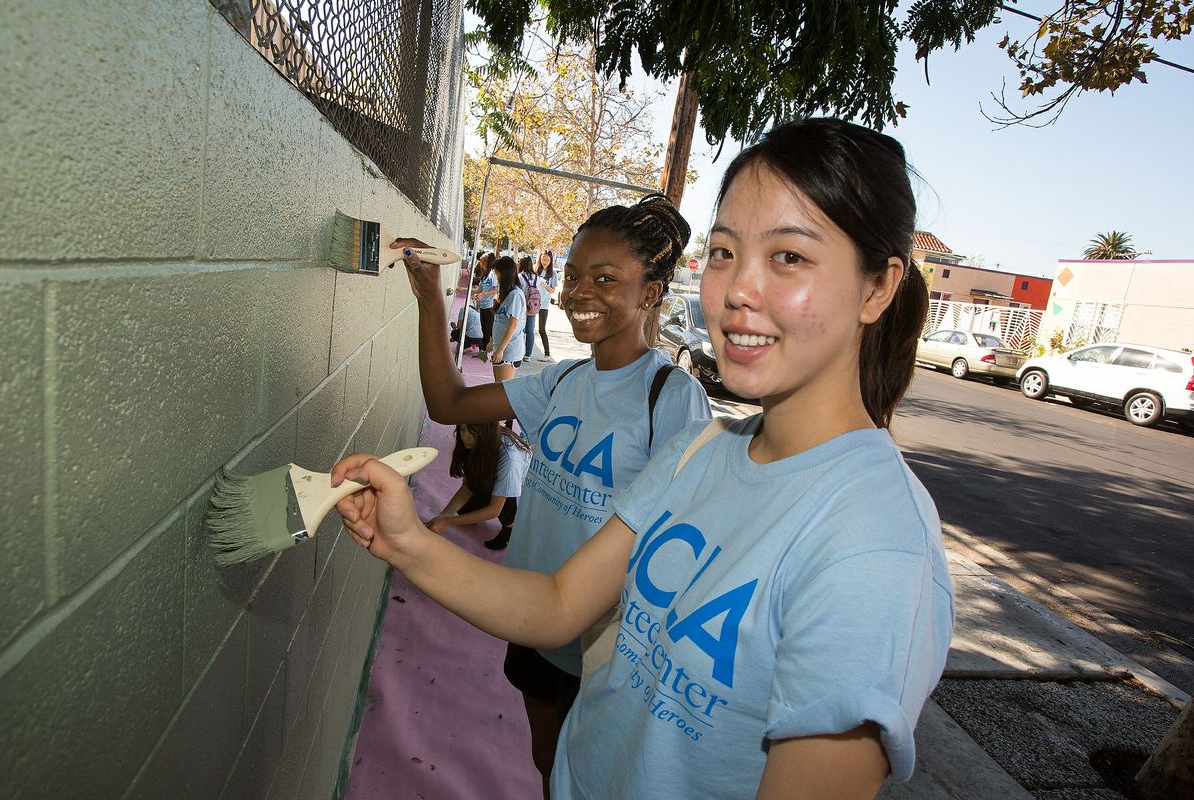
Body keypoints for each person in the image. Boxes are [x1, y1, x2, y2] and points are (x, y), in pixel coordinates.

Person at [344, 119, 954, 798]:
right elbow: (556, 602)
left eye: (789, 257)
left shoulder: (875, 546)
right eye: (724, 253)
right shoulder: (704, 450)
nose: (737, 291)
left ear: (878, 288)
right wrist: (405, 542)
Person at [382, 192, 711, 797]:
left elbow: (684, 541)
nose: (580, 292)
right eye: (575, 275)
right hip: (533, 614)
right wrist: (431, 300)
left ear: (653, 292)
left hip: (604, 642)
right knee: (547, 764)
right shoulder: (560, 380)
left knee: (589, 775)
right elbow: (448, 404)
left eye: (606, 278)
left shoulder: (673, 398)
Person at [427, 422, 531, 550]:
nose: (465, 436)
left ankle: (510, 528)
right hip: (495, 478)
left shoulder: (510, 461)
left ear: (484, 433)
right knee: (464, 510)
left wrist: (447, 522)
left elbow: (494, 510)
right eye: (462, 429)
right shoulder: (479, 443)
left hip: (521, 491)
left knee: (506, 503)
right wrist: (443, 516)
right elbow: (468, 486)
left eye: (473, 432)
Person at [485, 255, 527, 386]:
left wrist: (501, 349)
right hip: (501, 349)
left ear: (504, 274)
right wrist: (493, 341)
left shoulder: (515, 295)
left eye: (497, 273)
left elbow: (513, 324)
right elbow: (500, 321)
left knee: (502, 390)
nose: (496, 277)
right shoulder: (507, 294)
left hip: (509, 352)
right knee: (498, 386)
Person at [518, 255, 542, 361]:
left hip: (522, 306)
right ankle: (528, 354)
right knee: (530, 331)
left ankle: (518, 352)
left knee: (519, 329)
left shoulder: (519, 276)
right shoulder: (537, 277)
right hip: (533, 307)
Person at [536, 250, 558, 360]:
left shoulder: (552, 273)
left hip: (544, 304)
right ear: (540, 259)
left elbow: (552, 290)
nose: (545, 262)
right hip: (533, 303)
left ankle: (547, 354)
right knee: (526, 328)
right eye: (543, 259)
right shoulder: (536, 270)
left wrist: (545, 285)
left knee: (541, 329)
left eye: (547, 260)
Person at [474, 252, 498, 351]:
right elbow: (479, 289)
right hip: (483, 306)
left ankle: (484, 352)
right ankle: (483, 352)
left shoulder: (493, 274)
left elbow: (496, 290)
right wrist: (464, 290)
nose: (480, 263)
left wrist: (483, 295)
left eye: (482, 261)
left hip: (490, 306)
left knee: (488, 331)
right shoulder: (485, 275)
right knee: (484, 329)